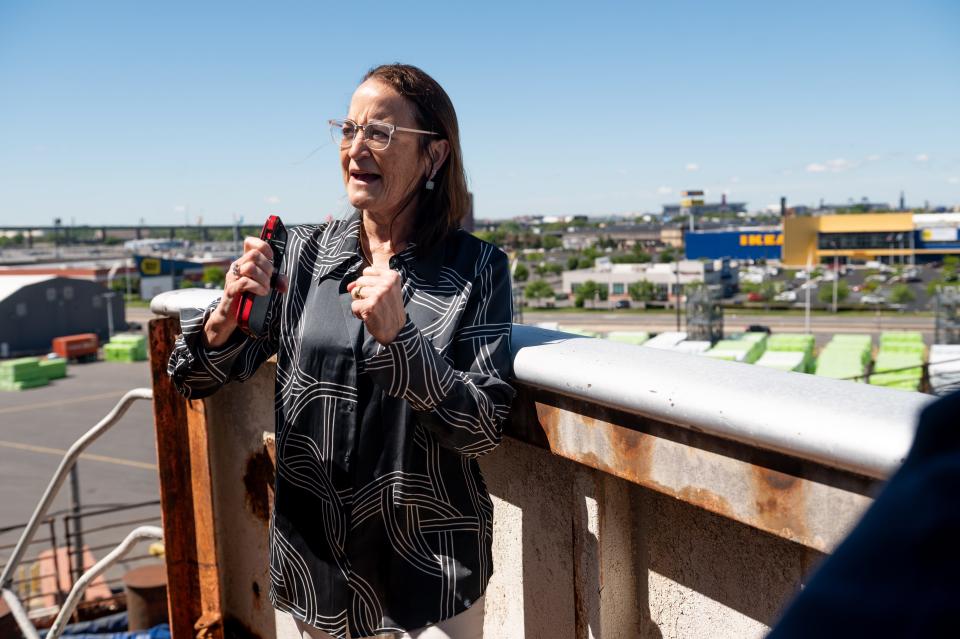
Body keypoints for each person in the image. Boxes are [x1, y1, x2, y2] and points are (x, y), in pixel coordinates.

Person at [168, 63, 515, 639]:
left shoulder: (477, 269)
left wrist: (402, 340)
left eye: (380, 132)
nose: (356, 147)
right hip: (317, 572)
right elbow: (194, 379)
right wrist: (224, 318)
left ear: (433, 156)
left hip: (427, 577)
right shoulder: (300, 255)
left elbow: (482, 425)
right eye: (348, 129)